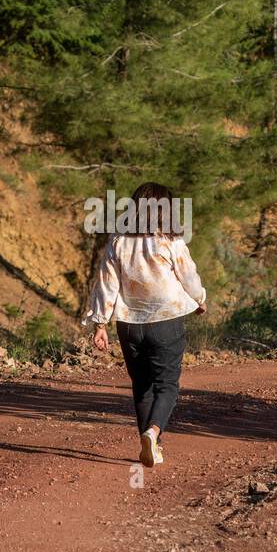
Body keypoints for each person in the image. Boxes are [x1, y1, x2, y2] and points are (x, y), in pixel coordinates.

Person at [84, 182, 206, 467]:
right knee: (166, 385)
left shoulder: (118, 240)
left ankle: (150, 442)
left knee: (141, 385)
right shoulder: (171, 241)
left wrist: (100, 323)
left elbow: (106, 285)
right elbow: (189, 277)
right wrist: (200, 299)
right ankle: (153, 433)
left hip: (129, 325)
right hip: (166, 321)